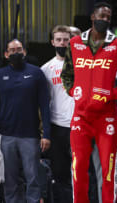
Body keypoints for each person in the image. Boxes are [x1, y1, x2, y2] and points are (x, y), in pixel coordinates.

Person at [60, 2, 117, 203]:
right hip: (81, 118)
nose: (104, 20)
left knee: (108, 172)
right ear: (92, 16)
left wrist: (111, 95)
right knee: (78, 170)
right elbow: (66, 74)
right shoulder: (75, 43)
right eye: (101, 16)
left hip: (106, 119)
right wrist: (73, 91)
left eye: (108, 18)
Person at [0, 39, 51, 203]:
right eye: (12, 50)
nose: (15, 53)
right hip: (6, 136)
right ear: (6, 54)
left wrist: (47, 134)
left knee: (33, 178)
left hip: (30, 136)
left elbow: (45, 105)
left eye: (19, 49)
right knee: (10, 179)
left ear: (24, 52)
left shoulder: (37, 73)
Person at [40, 25, 73, 203]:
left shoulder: (81, 64)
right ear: (52, 42)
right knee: (60, 173)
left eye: (66, 39)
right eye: (59, 39)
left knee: (82, 170)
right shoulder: (45, 69)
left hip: (80, 125)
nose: (62, 43)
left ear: (71, 41)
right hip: (57, 127)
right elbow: (44, 103)